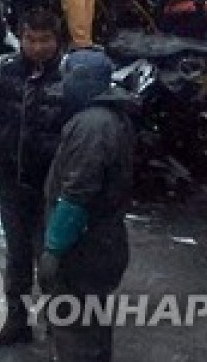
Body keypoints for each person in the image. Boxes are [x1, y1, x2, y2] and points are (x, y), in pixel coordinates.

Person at [0, 8, 66, 345]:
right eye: (30, 39)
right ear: (20, 38)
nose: (37, 47)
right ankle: (16, 321)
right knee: (17, 255)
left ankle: (59, 327)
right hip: (11, 179)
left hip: (51, 186)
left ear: (57, 40)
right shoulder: (0, 71)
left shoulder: (68, 79)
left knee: (51, 259)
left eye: (45, 40)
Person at [38, 48, 136, 361]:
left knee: (75, 328)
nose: (62, 85)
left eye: (68, 77)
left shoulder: (91, 127)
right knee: (92, 326)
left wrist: (53, 248)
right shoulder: (108, 119)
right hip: (103, 243)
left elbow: (77, 195)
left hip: (85, 248)